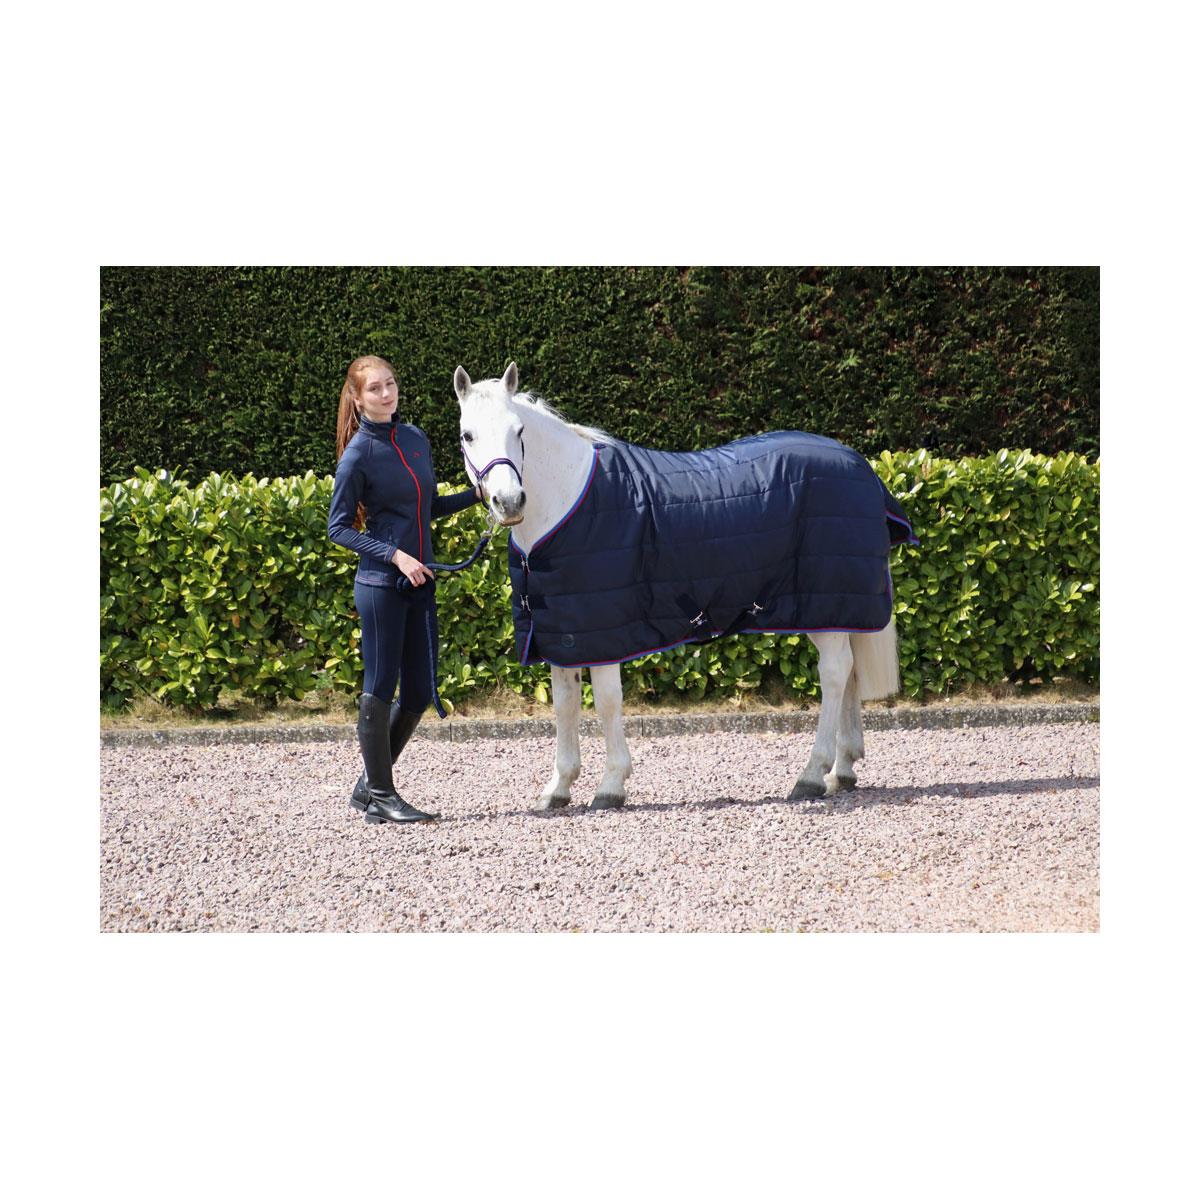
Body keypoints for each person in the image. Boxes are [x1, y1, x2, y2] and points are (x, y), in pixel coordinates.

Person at [328, 355, 480, 825]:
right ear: (358, 398)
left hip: (419, 583)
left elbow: (426, 506)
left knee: (417, 693)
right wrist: (395, 555)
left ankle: (368, 788)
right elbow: (338, 528)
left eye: (390, 384)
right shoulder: (358, 454)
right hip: (381, 586)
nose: (386, 393)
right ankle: (381, 795)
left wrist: (479, 495)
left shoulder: (414, 438)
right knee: (379, 685)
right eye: (374, 388)